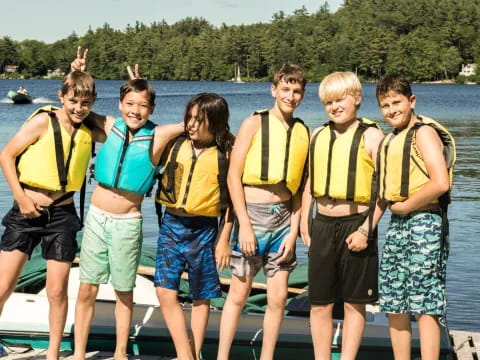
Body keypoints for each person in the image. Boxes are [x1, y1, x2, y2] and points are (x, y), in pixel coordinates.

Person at [70, 54, 184, 360]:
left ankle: (121, 353)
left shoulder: (158, 136)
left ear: (152, 108)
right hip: (96, 219)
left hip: (128, 222)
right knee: (86, 288)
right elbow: (75, 104)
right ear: (120, 105)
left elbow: (195, 122)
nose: (135, 111)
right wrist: (79, 74)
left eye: (143, 105)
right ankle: (79, 353)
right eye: (130, 104)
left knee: (123, 291)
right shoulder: (108, 126)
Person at [0, 69, 97, 360]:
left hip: (62, 215)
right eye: (73, 102)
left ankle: (53, 353)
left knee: (56, 290)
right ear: (61, 98)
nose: (79, 108)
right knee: (4, 284)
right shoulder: (43, 120)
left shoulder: (88, 130)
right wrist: (20, 198)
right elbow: (6, 155)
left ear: (92, 102)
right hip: (26, 211)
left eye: (85, 103)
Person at [217, 63, 309, 360]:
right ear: (274, 90)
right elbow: (233, 177)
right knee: (239, 294)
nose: (291, 96)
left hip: (284, 219)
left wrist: (294, 232)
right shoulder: (253, 123)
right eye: (285, 89)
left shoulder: (302, 130)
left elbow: (299, 190)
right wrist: (243, 224)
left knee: (278, 298)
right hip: (252, 216)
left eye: (297, 91)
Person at [299, 71, 384, 360]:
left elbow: (384, 191)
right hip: (322, 224)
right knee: (319, 303)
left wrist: (366, 230)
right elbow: (309, 184)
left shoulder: (372, 136)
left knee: (353, 303)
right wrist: (305, 227)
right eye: (328, 102)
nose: (334, 107)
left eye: (340, 100)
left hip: (357, 224)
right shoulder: (317, 135)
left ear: (357, 99)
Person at [375, 75, 455, 360]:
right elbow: (385, 194)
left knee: (425, 301)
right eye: (385, 105)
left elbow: (440, 182)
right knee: (395, 300)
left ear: (411, 101)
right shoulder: (391, 139)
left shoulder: (423, 133)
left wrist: (406, 207)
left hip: (425, 223)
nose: (392, 109)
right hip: (399, 224)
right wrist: (367, 228)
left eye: (397, 102)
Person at [154, 93, 234, 360]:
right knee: (165, 291)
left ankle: (195, 352)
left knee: (202, 294)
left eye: (199, 120)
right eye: (189, 118)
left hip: (205, 229)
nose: (191, 125)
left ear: (216, 122)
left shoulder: (226, 153)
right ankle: (185, 354)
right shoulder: (176, 143)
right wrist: (179, 126)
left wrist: (224, 239)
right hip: (172, 224)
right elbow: (152, 153)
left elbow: (232, 201)